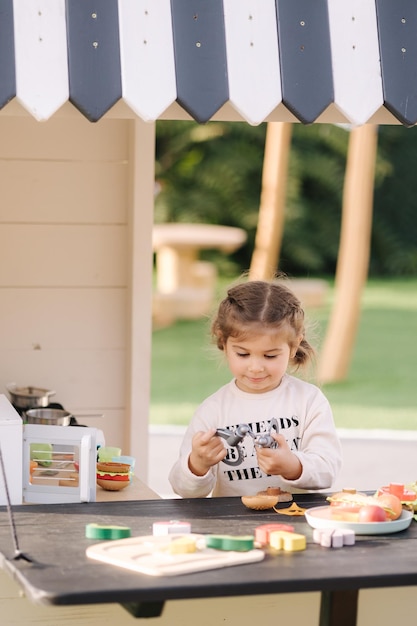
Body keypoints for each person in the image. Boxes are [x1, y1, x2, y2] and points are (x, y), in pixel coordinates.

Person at [168, 279, 342, 498]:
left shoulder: (308, 400)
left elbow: (328, 469)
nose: (256, 367)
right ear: (224, 343)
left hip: (295, 525)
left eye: (270, 356)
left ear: (294, 346)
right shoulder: (213, 410)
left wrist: (293, 465)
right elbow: (184, 490)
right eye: (243, 354)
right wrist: (197, 464)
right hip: (232, 527)